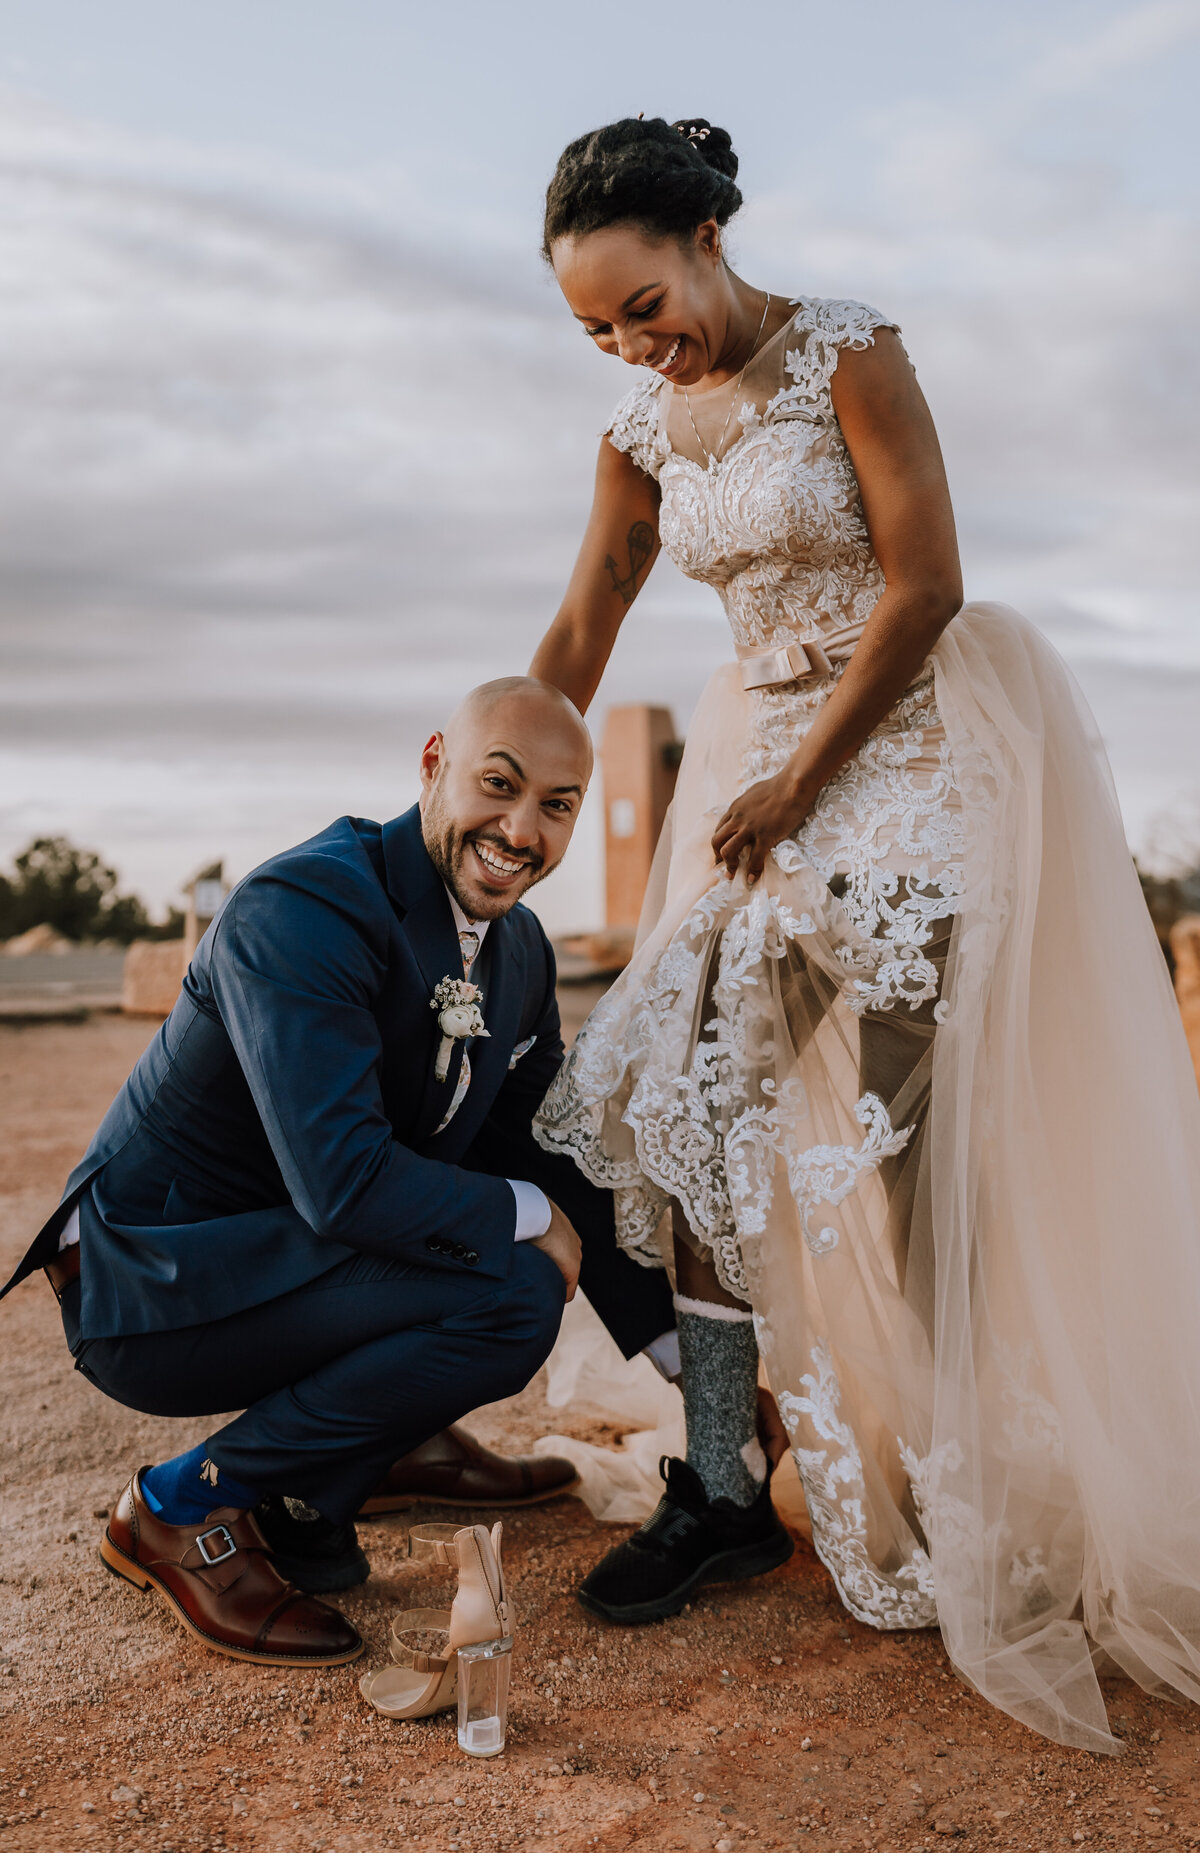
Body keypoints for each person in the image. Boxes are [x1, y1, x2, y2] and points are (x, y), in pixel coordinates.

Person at [529, 116, 1200, 1753]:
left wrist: (798, 784)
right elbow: (590, 613)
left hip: (899, 759)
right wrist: (508, 765)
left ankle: (976, 1497)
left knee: (904, 1145)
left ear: (702, 235)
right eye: (597, 327)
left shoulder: (851, 352)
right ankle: (719, 1478)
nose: (632, 342)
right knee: (685, 1122)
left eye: (643, 303)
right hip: (752, 770)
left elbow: (927, 584)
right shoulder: (638, 428)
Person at [0, 677, 674, 1667]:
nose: (523, 827)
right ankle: (178, 1507)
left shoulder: (519, 950)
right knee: (515, 1282)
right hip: (157, 1280)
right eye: (500, 782)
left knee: (506, 1238)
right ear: (434, 763)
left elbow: (545, 1148)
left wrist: (680, 1357)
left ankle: (375, 1449)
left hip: (301, 1254)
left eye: (558, 804)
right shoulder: (304, 904)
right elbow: (347, 1182)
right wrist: (533, 1213)